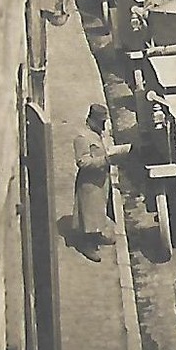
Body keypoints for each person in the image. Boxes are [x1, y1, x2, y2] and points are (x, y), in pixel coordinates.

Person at [72, 103, 114, 263]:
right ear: (92, 120)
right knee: (88, 213)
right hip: (89, 183)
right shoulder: (82, 137)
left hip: (101, 180)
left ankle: (97, 235)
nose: (104, 126)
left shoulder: (97, 134)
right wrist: (104, 160)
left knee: (98, 211)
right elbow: (82, 162)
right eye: (101, 122)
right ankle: (86, 244)